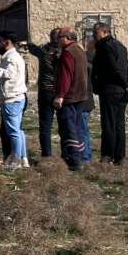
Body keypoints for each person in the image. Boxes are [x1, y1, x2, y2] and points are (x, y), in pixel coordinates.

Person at [90, 23, 128, 164]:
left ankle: (108, 155)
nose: (93, 36)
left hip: (110, 90)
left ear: (103, 32)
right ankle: (120, 156)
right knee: (119, 124)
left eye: (95, 33)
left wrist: (125, 83)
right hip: (121, 91)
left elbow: (113, 69)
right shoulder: (120, 46)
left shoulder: (104, 47)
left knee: (109, 124)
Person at [53, 27, 91, 170]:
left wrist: (60, 95)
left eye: (60, 37)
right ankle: (80, 156)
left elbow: (66, 76)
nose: (58, 40)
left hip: (70, 97)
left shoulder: (68, 52)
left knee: (70, 129)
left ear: (67, 37)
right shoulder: (79, 49)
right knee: (79, 127)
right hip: (80, 96)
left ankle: (74, 161)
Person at [0, 30, 28, 168]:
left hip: (11, 100)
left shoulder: (12, 58)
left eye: (0, 41)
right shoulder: (12, 56)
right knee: (18, 131)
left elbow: (9, 74)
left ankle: (16, 161)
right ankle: (23, 158)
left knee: (13, 132)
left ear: (7, 42)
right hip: (16, 98)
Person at [28, 29, 61, 159]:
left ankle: (46, 154)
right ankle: (67, 153)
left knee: (45, 125)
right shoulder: (65, 52)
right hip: (60, 91)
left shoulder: (43, 51)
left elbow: (31, 48)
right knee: (64, 125)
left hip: (46, 91)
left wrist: (29, 42)